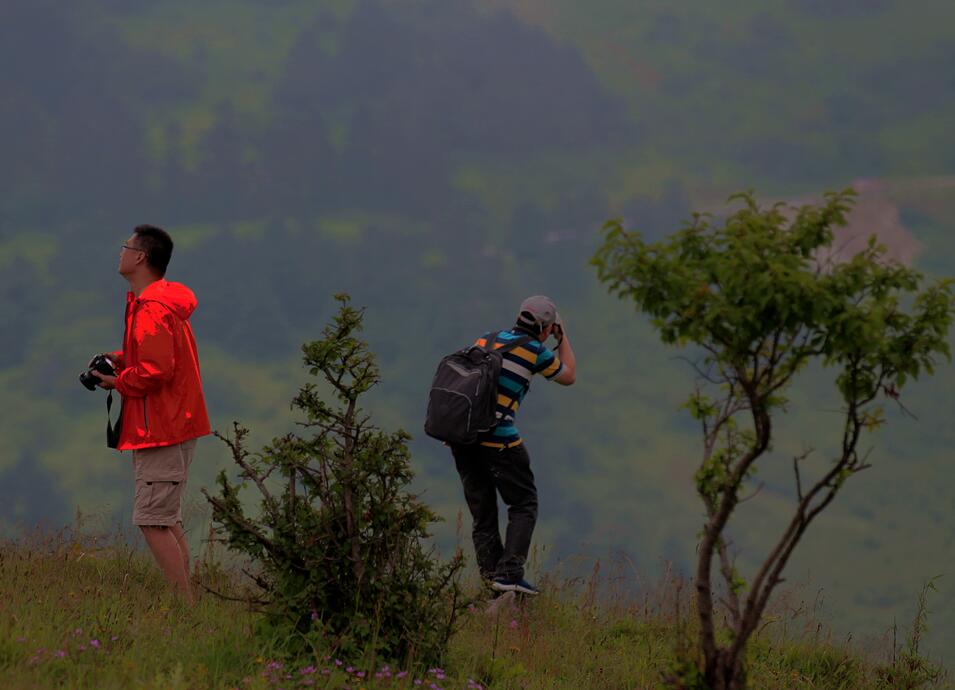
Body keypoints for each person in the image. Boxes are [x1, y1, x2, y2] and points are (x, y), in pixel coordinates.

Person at [93, 225, 210, 601]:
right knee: (166, 518)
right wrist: (119, 359)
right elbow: (157, 356)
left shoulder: (151, 308)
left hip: (161, 425)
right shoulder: (160, 303)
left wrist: (118, 383)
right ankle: (187, 602)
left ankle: (184, 606)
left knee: (152, 520)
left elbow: (157, 371)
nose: (121, 252)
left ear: (140, 256)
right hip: (173, 423)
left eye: (126, 246)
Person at [451, 295, 576, 595]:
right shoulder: (534, 350)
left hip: (464, 439)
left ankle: (492, 582)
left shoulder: (486, 340)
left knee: (483, 513)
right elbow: (568, 376)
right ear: (546, 327)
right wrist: (564, 337)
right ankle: (509, 574)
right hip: (500, 441)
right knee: (523, 504)